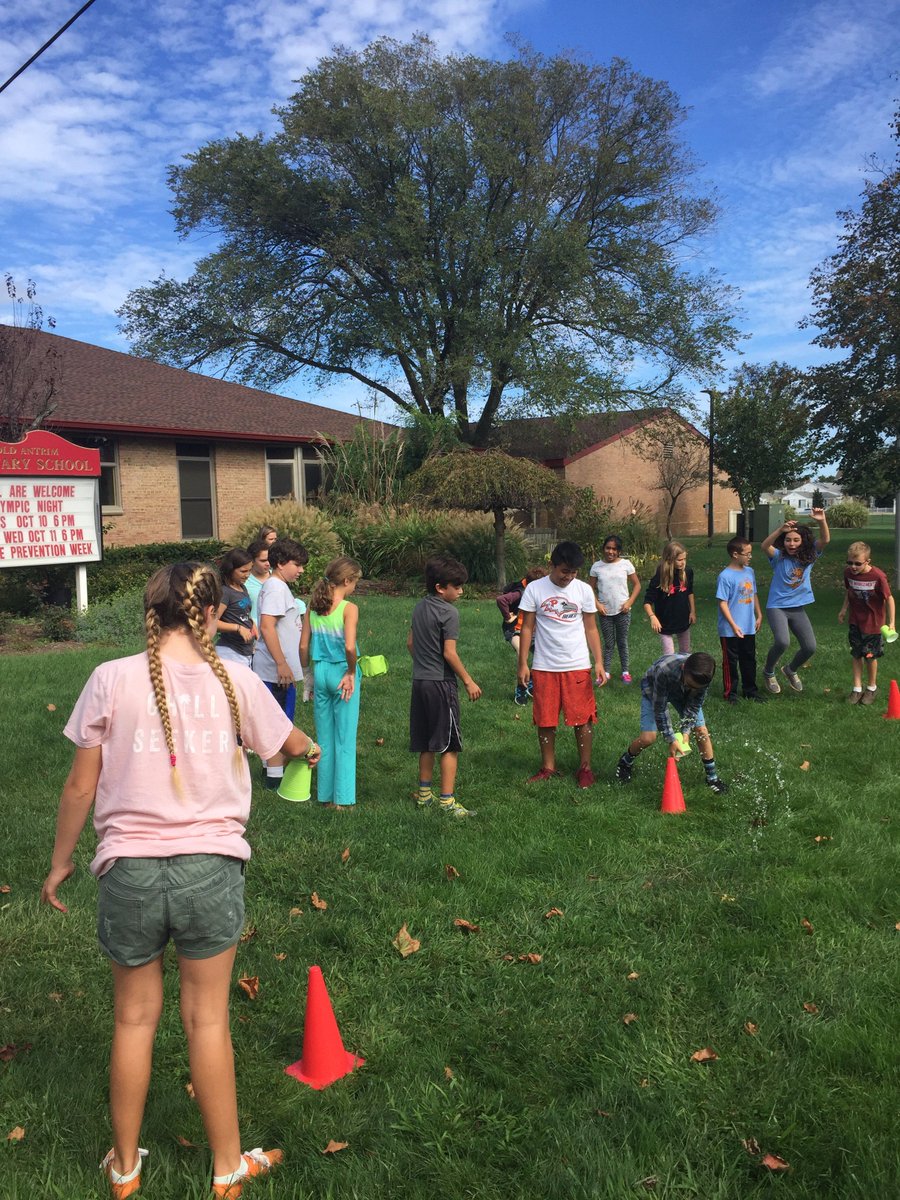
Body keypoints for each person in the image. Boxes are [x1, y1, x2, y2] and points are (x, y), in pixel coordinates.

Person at [39, 563, 321, 1200]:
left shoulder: (109, 678)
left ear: (151, 609)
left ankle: (125, 1169)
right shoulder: (237, 679)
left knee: (134, 1020)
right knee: (207, 1022)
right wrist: (308, 748)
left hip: (127, 874)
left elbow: (81, 785)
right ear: (213, 612)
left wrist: (60, 863)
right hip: (211, 871)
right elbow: (283, 745)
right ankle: (227, 1169)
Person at [517, 540, 606, 789]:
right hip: (544, 665)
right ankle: (548, 767)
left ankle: (585, 768)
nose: (568, 577)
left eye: (573, 572)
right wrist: (523, 663)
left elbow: (591, 628)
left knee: (582, 718)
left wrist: (598, 661)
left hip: (577, 664)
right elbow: (526, 628)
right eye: (564, 571)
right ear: (551, 566)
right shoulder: (535, 589)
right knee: (545, 719)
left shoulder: (583, 591)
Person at [407, 556, 481, 818]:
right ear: (441, 587)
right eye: (457, 586)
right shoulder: (449, 612)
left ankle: (424, 796)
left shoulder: (419, 607)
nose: (461, 591)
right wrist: (468, 680)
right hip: (441, 684)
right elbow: (449, 653)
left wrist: (424, 665)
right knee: (449, 745)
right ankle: (447, 801)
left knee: (427, 741)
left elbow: (411, 644)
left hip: (420, 682)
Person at [615, 651, 728, 793]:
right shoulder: (664, 670)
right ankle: (625, 761)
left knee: (701, 730)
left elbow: (693, 706)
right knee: (648, 738)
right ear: (684, 669)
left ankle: (712, 778)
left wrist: (685, 731)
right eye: (690, 684)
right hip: (654, 689)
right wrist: (671, 739)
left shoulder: (703, 677)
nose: (693, 689)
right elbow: (660, 709)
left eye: (696, 688)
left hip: (681, 692)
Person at [300, 557, 363, 807]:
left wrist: (307, 676)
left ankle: (324, 797)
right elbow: (349, 646)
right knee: (345, 738)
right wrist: (350, 672)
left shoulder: (313, 606)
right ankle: (343, 800)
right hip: (341, 673)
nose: (355, 586)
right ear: (346, 581)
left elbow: (303, 645)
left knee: (323, 738)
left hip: (321, 671)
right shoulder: (348, 608)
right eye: (355, 581)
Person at [251, 538, 309, 788]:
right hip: (275, 671)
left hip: (277, 668)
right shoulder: (275, 588)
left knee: (276, 723)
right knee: (280, 725)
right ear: (281, 563)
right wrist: (282, 664)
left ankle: (270, 773)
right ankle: (274, 782)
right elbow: (266, 626)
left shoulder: (278, 586)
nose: (302, 570)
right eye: (297, 564)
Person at [759, 509, 830, 694]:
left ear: (803, 541)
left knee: (810, 647)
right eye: (788, 540)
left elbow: (825, 540)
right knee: (782, 642)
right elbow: (764, 545)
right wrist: (779, 530)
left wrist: (822, 521)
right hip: (777, 607)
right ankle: (768, 672)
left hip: (797, 608)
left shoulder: (810, 556)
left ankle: (790, 670)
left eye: (796, 540)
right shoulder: (778, 557)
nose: (791, 543)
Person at [838, 540, 896, 705]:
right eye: (850, 563)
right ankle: (857, 689)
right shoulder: (848, 573)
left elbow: (889, 598)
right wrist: (843, 610)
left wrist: (892, 622)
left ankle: (871, 688)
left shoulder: (878, 576)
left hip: (874, 624)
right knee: (856, 654)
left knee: (870, 656)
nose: (853, 567)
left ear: (868, 561)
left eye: (857, 563)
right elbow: (849, 592)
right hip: (855, 621)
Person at [715, 537, 765, 704]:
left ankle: (750, 690)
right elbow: (722, 603)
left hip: (748, 626)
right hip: (730, 629)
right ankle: (731, 693)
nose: (750, 557)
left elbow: (754, 594)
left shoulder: (749, 572)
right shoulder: (725, 576)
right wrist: (733, 625)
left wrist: (759, 614)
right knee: (730, 662)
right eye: (747, 554)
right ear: (735, 554)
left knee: (749, 658)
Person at [589, 534, 641, 683]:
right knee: (608, 643)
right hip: (605, 612)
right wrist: (597, 604)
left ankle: (625, 671)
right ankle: (605, 672)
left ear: (618, 551)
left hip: (623, 611)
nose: (610, 551)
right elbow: (590, 588)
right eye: (608, 548)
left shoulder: (626, 564)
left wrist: (629, 602)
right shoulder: (596, 566)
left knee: (622, 641)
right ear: (603, 548)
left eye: (614, 549)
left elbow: (637, 585)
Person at [495, 566, 547, 703]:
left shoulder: (542, 592)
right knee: (521, 655)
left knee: (542, 656)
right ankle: (521, 689)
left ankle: (532, 682)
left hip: (532, 630)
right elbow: (501, 600)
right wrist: (508, 617)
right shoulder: (521, 592)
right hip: (515, 630)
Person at [643, 541, 695, 655]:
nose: (683, 563)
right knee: (669, 655)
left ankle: (683, 673)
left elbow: (690, 592)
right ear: (670, 559)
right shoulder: (660, 575)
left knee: (685, 654)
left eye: (684, 559)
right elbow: (647, 601)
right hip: (664, 622)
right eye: (679, 560)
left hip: (683, 619)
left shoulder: (688, 572)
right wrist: (652, 617)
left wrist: (692, 612)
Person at [215, 548, 258, 668]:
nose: (247, 575)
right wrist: (238, 628)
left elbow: (244, 614)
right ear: (230, 569)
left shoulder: (242, 588)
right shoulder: (225, 593)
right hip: (230, 652)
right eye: (243, 571)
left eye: (250, 570)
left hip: (246, 651)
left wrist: (252, 625)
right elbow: (213, 622)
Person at [244, 540, 270, 627]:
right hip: (253, 632)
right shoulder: (244, 582)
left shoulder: (278, 577)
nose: (268, 564)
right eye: (263, 561)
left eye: (269, 560)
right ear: (252, 561)